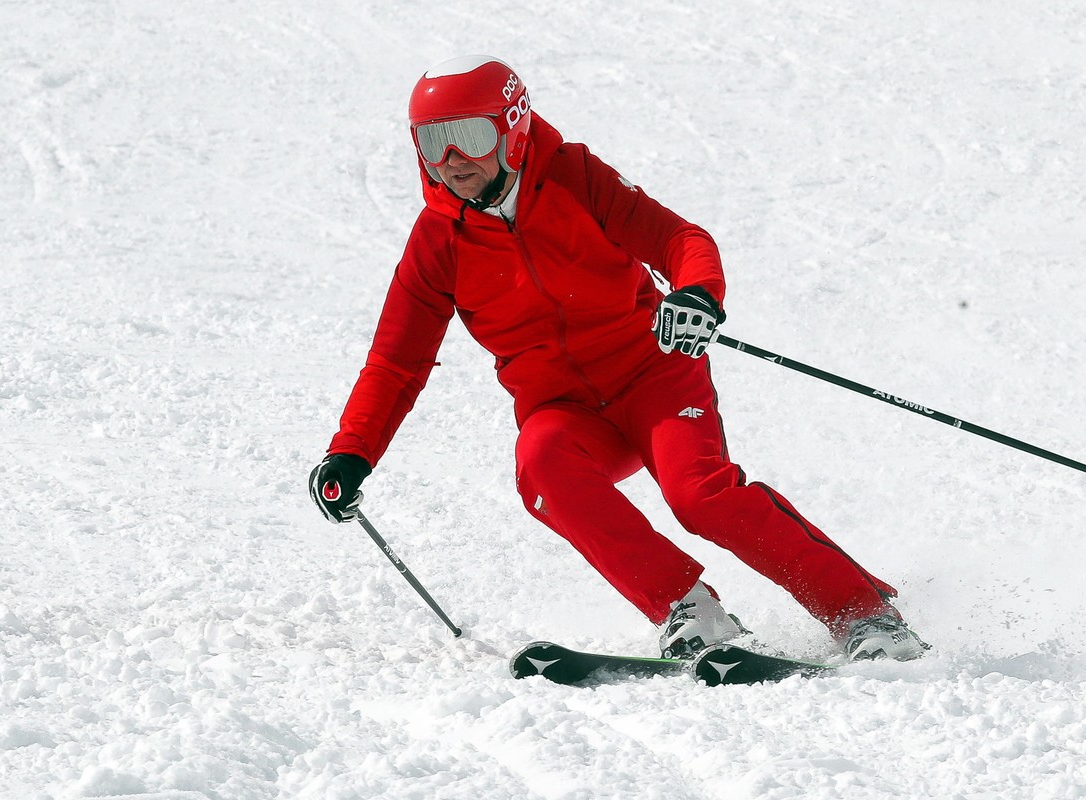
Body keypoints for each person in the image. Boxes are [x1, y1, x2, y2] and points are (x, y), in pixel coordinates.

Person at [308, 55, 928, 662]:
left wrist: (696, 294)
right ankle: (689, 608)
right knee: (541, 464)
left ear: (512, 127)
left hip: (653, 376)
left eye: (468, 137)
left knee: (698, 496)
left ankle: (864, 612)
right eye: (431, 141)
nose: (450, 161)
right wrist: (352, 451)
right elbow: (395, 362)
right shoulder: (437, 242)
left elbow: (679, 239)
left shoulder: (573, 178)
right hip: (565, 409)